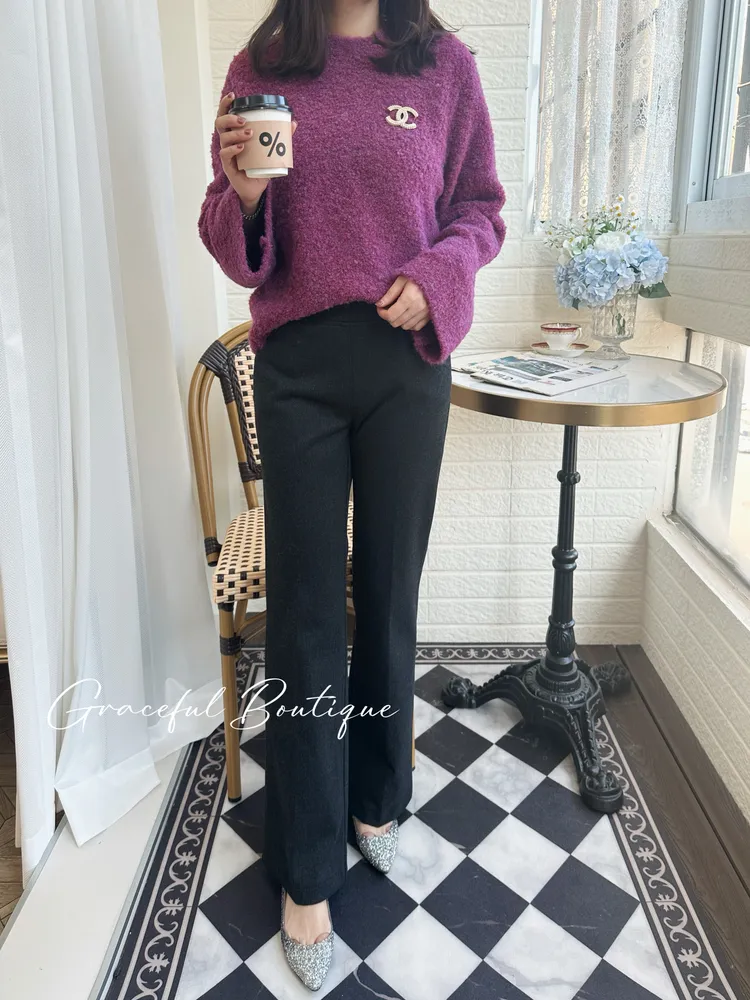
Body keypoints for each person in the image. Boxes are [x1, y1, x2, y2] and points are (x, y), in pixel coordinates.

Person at [198, 0, 505, 989]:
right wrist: (245, 194)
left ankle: (378, 798)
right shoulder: (263, 63)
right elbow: (229, 236)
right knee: (303, 616)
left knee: (387, 591)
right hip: (297, 369)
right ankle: (306, 864)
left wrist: (439, 273)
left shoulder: (444, 67)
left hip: (407, 363)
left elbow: (480, 211)